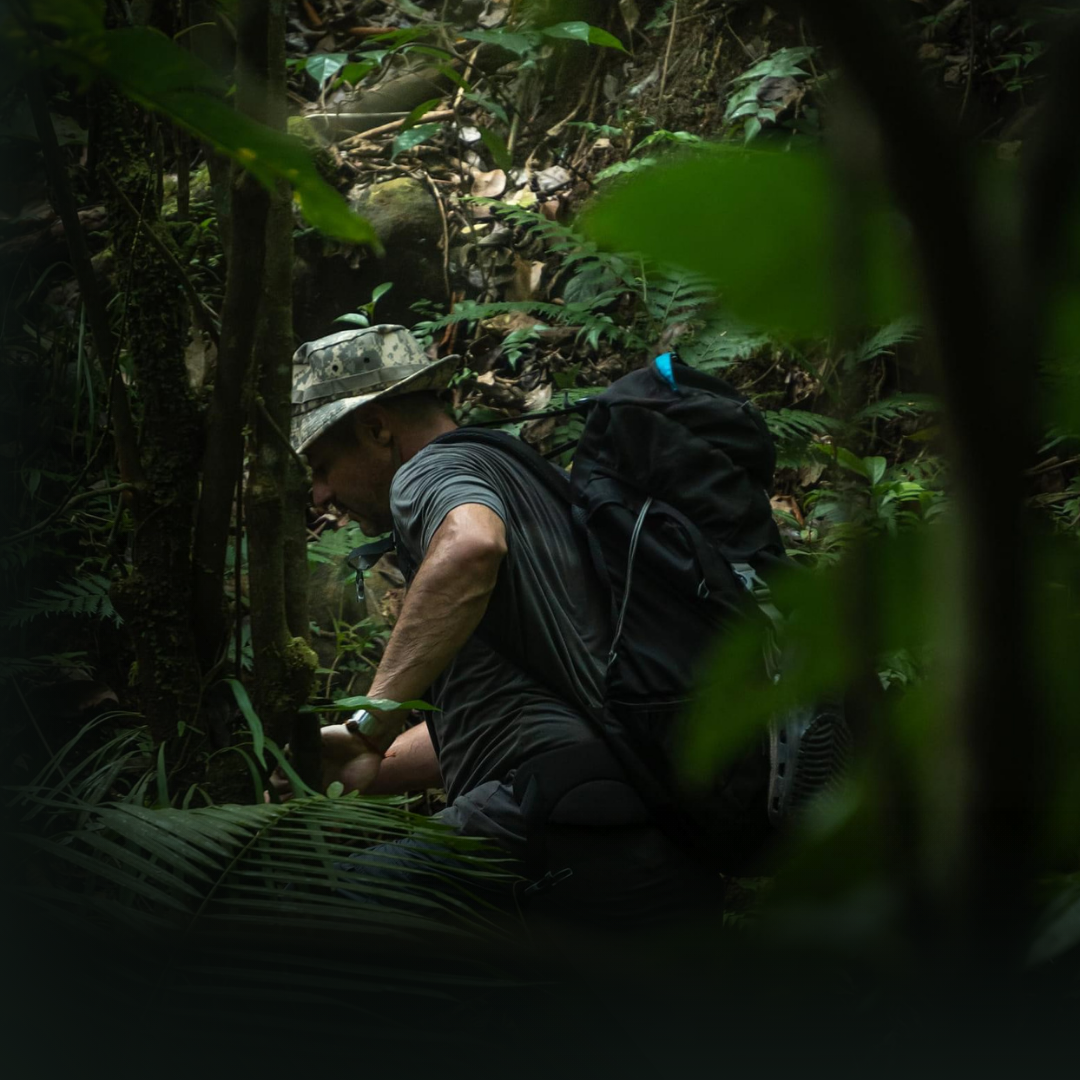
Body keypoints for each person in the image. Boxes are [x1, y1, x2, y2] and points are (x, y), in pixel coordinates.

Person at [279, 323, 722, 929]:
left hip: (555, 822)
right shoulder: (525, 480)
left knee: (294, 929)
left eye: (323, 465)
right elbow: (496, 716)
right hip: (635, 828)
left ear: (377, 428)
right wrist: (359, 763)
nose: (320, 495)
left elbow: (469, 549)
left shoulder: (428, 474)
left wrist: (369, 723)